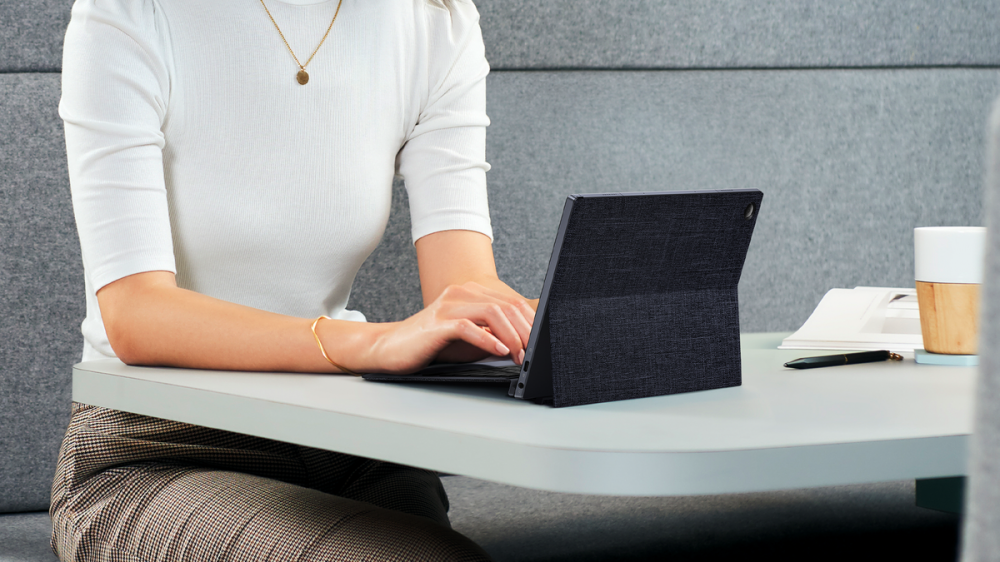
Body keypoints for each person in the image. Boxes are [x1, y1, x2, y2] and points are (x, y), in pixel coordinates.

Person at [51, 0, 534, 559]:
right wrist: (373, 341)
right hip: (156, 447)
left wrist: (546, 323)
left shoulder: (436, 19)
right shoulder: (131, 12)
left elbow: (466, 293)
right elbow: (137, 314)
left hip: (346, 439)